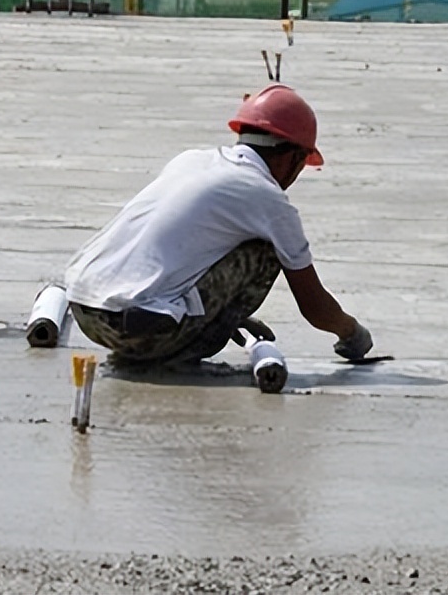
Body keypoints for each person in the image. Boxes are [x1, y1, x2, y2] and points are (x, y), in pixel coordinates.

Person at [63, 83, 373, 389]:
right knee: (267, 249)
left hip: (83, 307)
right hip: (134, 331)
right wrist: (353, 334)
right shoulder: (267, 198)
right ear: (289, 157)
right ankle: (175, 348)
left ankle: (184, 319)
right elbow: (314, 306)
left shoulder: (192, 160)